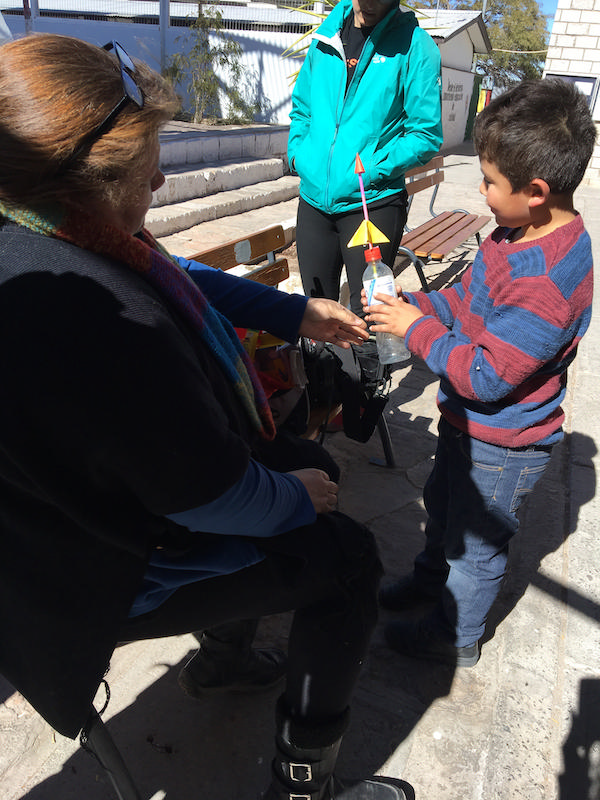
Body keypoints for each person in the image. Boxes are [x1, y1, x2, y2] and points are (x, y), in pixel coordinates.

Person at [0, 34, 408, 800]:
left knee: (291, 456)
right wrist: (296, 497)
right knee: (345, 553)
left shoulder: (38, 229)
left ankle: (224, 658)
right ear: (88, 179)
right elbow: (208, 492)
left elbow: (172, 270)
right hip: (89, 571)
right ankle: (303, 787)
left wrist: (295, 313)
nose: (160, 175)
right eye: (147, 165)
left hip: (42, 533)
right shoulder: (94, 322)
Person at [363, 78, 596, 668]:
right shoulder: (514, 232)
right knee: (442, 510)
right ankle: (426, 583)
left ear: (536, 190)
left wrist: (414, 332)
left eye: (490, 182)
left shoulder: (545, 282)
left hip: (503, 444)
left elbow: (487, 375)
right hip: (468, 430)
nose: (484, 193)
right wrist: (419, 308)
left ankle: (454, 634)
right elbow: (471, 299)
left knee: (476, 549)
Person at [288, 0, 443, 321]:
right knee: (317, 314)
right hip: (314, 202)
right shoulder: (325, 37)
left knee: (369, 317)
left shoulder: (416, 47)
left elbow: (426, 134)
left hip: (373, 204)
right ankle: (323, 373)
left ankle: (369, 374)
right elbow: (302, 106)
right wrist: (298, 155)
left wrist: (372, 169)